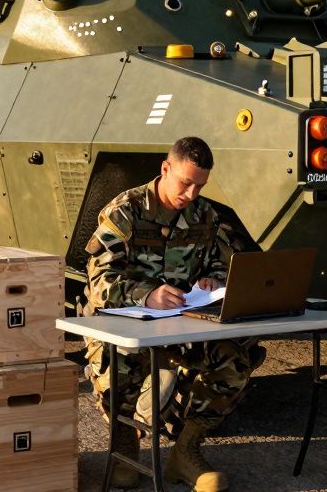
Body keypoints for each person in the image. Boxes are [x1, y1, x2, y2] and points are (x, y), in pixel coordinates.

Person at [83, 136, 251, 492]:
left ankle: (186, 452)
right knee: (116, 364)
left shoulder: (204, 215)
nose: (191, 194)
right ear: (165, 168)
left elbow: (222, 265)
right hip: (125, 325)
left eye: (200, 186)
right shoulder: (125, 211)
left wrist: (213, 280)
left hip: (181, 325)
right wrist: (147, 295)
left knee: (233, 362)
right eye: (185, 183)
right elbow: (99, 282)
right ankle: (124, 447)